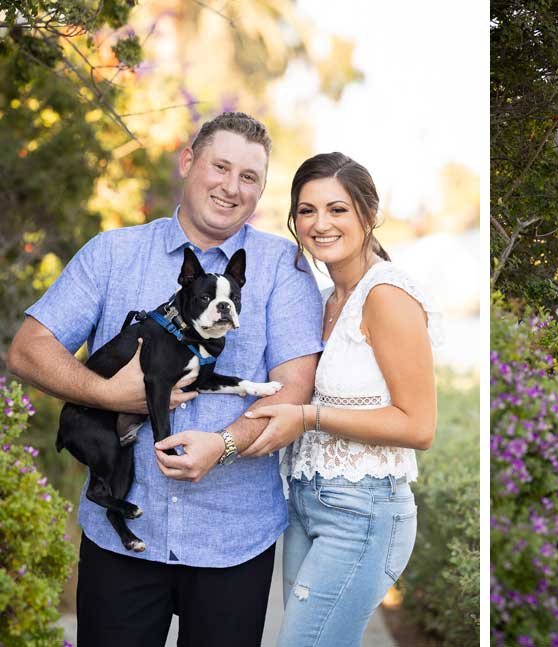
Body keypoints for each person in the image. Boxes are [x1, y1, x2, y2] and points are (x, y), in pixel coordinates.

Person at [8, 112, 324, 647]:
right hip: (121, 545)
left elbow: (294, 390)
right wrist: (107, 392)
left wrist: (224, 444)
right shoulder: (113, 254)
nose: (231, 187)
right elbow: (28, 350)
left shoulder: (282, 269)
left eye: (249, 177)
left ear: (261, 188)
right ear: (188, 163)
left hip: (235, 539)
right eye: (220, 166)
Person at [239, 152, 439, 647]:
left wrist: (308, 417)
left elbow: (419, 426)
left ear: (369, 215)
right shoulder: (327, 297)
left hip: (364, 513)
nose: (319, 224)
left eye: (337, 209)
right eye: (306, 211)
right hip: (306, 504)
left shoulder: (387, 296)